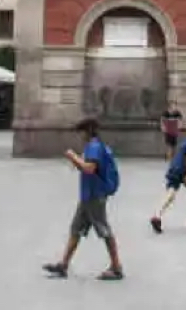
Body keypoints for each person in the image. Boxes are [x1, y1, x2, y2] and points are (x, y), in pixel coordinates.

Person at [44, 117, 122, 281]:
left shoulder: (93, 147)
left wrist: (73, 157)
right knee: (76, 229)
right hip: (89, 195)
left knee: (103, 230)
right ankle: (63, 265)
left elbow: (89, 169)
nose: (79, 137)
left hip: (94, 195)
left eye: (80, 132)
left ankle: (116, 267)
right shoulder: (97, 146)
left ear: (86, 132)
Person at [151, 121, 186, 233]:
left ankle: (157, 215)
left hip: (174, 168)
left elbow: (184, 156)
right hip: (182, 171)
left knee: (171, 194)